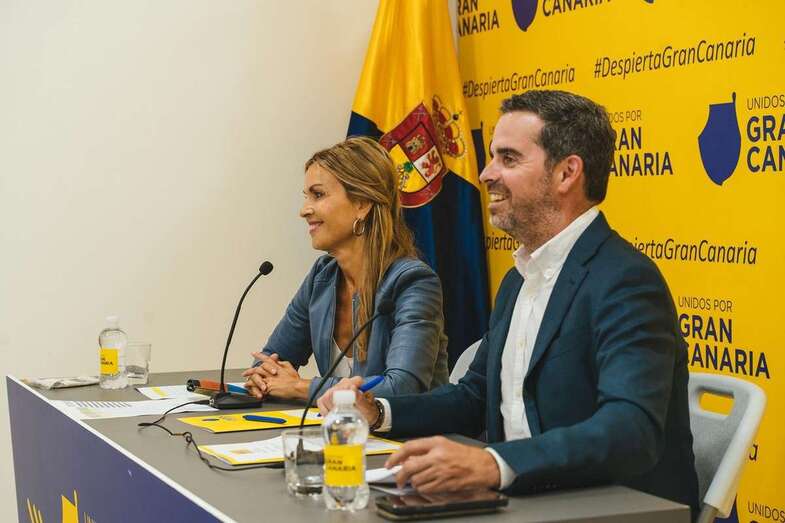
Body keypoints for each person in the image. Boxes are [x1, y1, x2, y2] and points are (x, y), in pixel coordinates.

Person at [318, 90, 700, 517]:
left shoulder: (624, 281)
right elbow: (475, 396)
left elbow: (630, 431)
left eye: (509, 159)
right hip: (524, 501)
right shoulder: (520, 277)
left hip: (607, 509)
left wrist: (493, 463)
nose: (486, 174)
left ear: (567, 173)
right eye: (491, 157)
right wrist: (378, 411)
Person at [243, 136, 449, 402]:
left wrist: (300, 387)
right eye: (306, 197)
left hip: (408, 429)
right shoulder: (323, 276)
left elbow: (402, 389)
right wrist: (262, 377)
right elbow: (271, 361)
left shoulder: (413, 282)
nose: (304, 210)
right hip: (342, 427)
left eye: (318, 195)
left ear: (362, 203)